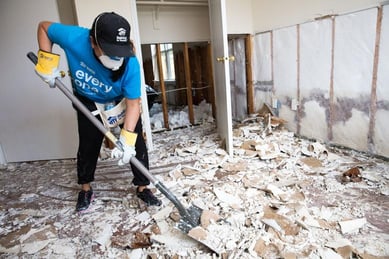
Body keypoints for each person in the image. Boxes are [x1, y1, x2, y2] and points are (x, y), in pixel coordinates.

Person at [34, 12, 162, 213]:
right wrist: (47, 62)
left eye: (119, 52)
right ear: (93, 42)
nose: (116, 58)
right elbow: (44, 27)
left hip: (118, 99)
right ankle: (85, 188)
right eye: (109, 51)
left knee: (136, 142)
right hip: (87, 97)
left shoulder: (131, 64)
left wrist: (126, 140)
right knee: (88, 142)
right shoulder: (74, 38)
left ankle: (143, 186)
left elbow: (133, 104)